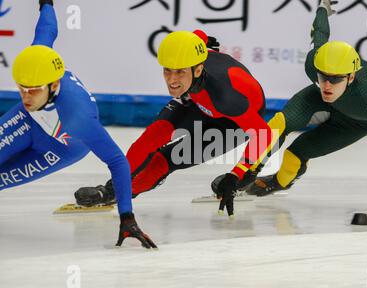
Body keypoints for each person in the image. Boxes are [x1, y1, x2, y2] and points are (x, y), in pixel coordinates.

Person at [0, 0, 156, 248]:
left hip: (63, 146)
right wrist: (46, 2)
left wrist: (127, 216)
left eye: (33, 90)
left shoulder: (78, 118)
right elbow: (47, 29)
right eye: (21, 89)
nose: (26, 96)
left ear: (54, 86)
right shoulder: (39, 61)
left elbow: (117, 161)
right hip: (29, 122)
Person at [75, 29, 273, 216]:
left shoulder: (227, 97)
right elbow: (198, 36)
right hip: (197, 102)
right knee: (150, 139)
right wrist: (203, 39)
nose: (172, 80)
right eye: (167, 71)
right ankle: (112, 190)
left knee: (166, 160)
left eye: (179, 73)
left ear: (197, 70)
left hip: (233, 124)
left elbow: (264, 134)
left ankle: (249, 175)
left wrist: (235, 174)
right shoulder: (190, 57)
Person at [244, 0, 367, 205]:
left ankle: (278, 182)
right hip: (320, 100)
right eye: (323, 76)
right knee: (279, 123)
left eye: (335, 79)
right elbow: (319, 33)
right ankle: (246, 171)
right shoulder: (315, 65)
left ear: (351, 78)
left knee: (297, 152)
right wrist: (322, 8)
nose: (327, 84)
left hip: (355, 121)